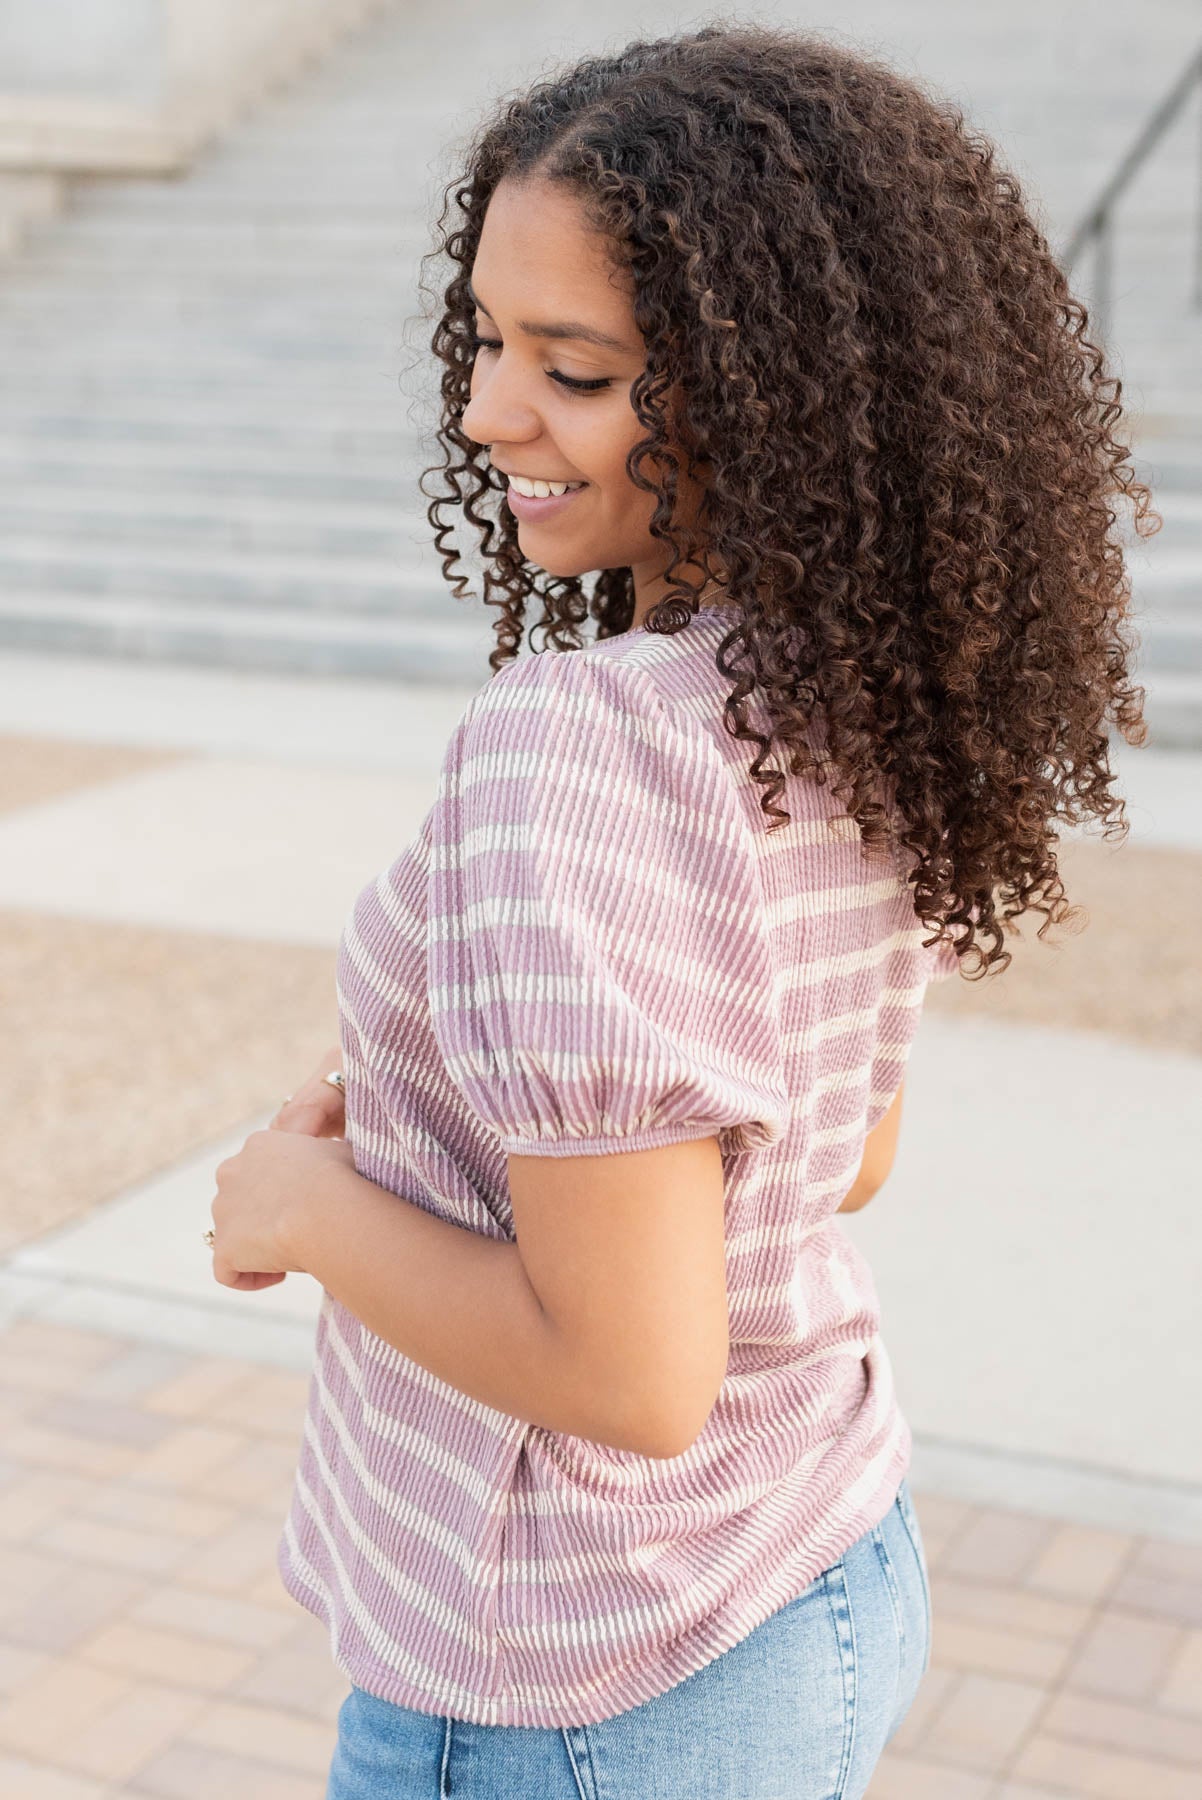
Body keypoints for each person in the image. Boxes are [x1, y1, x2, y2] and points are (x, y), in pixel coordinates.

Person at [206, 21, 1151, 1798]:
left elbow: (633, 1376)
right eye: (489, 338)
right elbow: (837, 1157)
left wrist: (310, 1203)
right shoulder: (858, 694)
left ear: (778, 395)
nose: (489, 410)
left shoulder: (584, 744)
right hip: (816, 1566)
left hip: (587, 1677)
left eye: (572, 366)